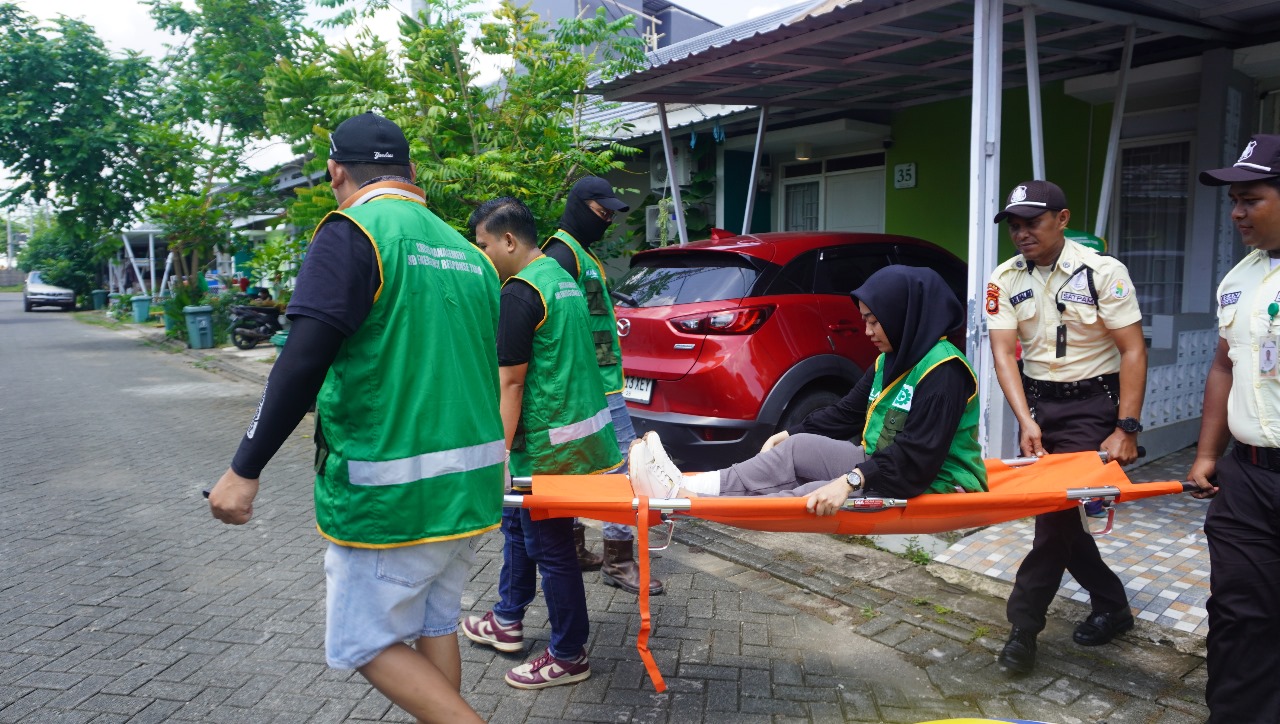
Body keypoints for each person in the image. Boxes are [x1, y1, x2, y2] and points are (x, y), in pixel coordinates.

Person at [206, 112, 503, 723]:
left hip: (391, 496)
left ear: (336, 171)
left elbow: (301, 363)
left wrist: (244, 468)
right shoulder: (467, 253)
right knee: (434, 622)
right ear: (412, 174)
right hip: (469, 484)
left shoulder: (353, 232)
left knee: (363, 641)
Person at [629, 265, 988, 513]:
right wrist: (790, 433)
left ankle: (688, 502)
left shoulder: (945, 373)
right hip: (884, 465)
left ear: (903, 317)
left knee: (808, 495)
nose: (867, 332)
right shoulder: (894, 357)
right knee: (797, 449)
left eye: (875, 322)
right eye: (865, 321)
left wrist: (848, 481)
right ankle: (684, 484)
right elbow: (846, 413)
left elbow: (915, 459)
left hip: (929, 480)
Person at [985, 179, 1147, 675]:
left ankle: (1023, 630)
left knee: (1052, 520)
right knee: (1064, 517)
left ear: (1062, 218)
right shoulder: (1004, 278)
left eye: (1032, 222)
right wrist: (1025, 419)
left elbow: (1133, 350)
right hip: (1039, 405)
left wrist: (1127, 427)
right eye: (1014, 225)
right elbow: (1003, 354)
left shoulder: (1103, 272)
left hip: (1091, 406)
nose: (1022, 233)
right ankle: (1113, 606)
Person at [460, 197, 622, 689]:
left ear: (509, 240)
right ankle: (508, 618)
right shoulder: (560, 278)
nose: (482, 255)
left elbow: (511, 384)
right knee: (518, 526)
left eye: (483, 245)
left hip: (545, 448)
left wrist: (497, 457)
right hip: (571, 437)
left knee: (550, 547)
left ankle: (569, 653)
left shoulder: (520, 293)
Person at [1187, 133, 1280, 723]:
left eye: (1251, 198)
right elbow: (1224, 363)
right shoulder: (1239, 278)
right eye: (1233, 200)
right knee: (1240, 614)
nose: (1237, 212)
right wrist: (1205, 454)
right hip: (1246, 478)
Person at [541, 176, 663, 595]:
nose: (607, 220)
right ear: (578, 206)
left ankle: (578, 550)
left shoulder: (581, 254)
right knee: (623, 469)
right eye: (601, 212)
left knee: (581, 464)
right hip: (591, 387)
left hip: (599, 382)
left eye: (611, 214)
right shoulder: (560, 256)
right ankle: (618, 558)